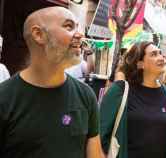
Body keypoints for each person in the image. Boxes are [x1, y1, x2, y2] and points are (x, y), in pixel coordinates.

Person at [0, 7, 104, 158]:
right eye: (69, 26)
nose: (80, 34)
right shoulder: (5, 98)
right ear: (38, 34)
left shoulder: (86, 95)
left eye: (78, 27)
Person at [100, 41, 166, 158]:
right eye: (154, 54)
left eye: (160, 53)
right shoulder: (120, 90)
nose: (161, 58)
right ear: (140, 63)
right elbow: (100, 133)